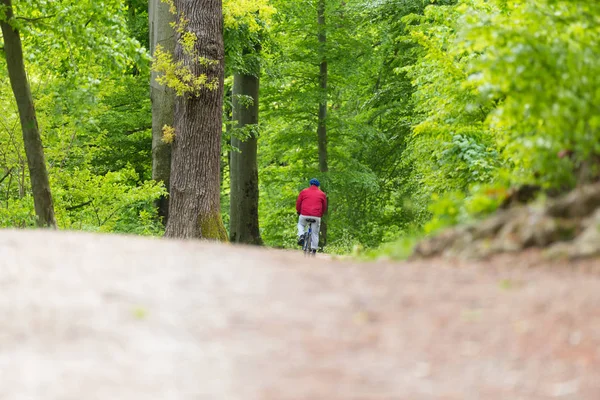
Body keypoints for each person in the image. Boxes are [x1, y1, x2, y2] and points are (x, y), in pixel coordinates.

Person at [296, 178, 327, 253]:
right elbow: (324, 207)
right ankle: (313, 250)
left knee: (300, 224)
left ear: (310, 184)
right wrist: (320, 214)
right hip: (316, 216)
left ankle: (301, 235)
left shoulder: (304, 191)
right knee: (315, 233)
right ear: (318, 186)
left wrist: (299, 211)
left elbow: (298, 203)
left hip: (304, 214)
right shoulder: (322, 194)